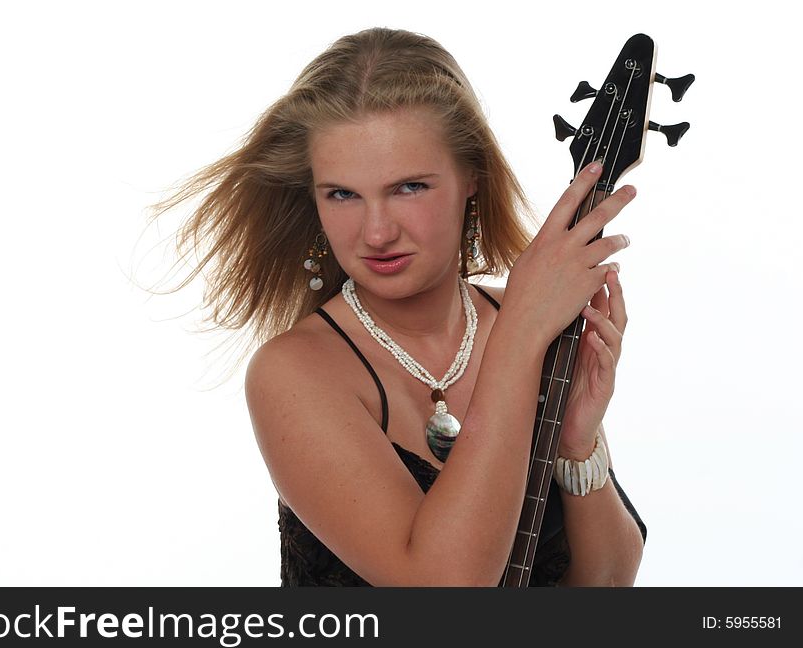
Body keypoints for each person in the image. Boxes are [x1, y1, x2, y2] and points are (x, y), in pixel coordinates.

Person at [157, 27, 646, 586]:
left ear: (472, 179)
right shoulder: (294, 372)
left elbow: (608, 587)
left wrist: (577, 445)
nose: (377, 232)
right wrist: (519, 342)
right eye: (342, 194)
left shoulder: (526, 323)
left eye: (409, 187)